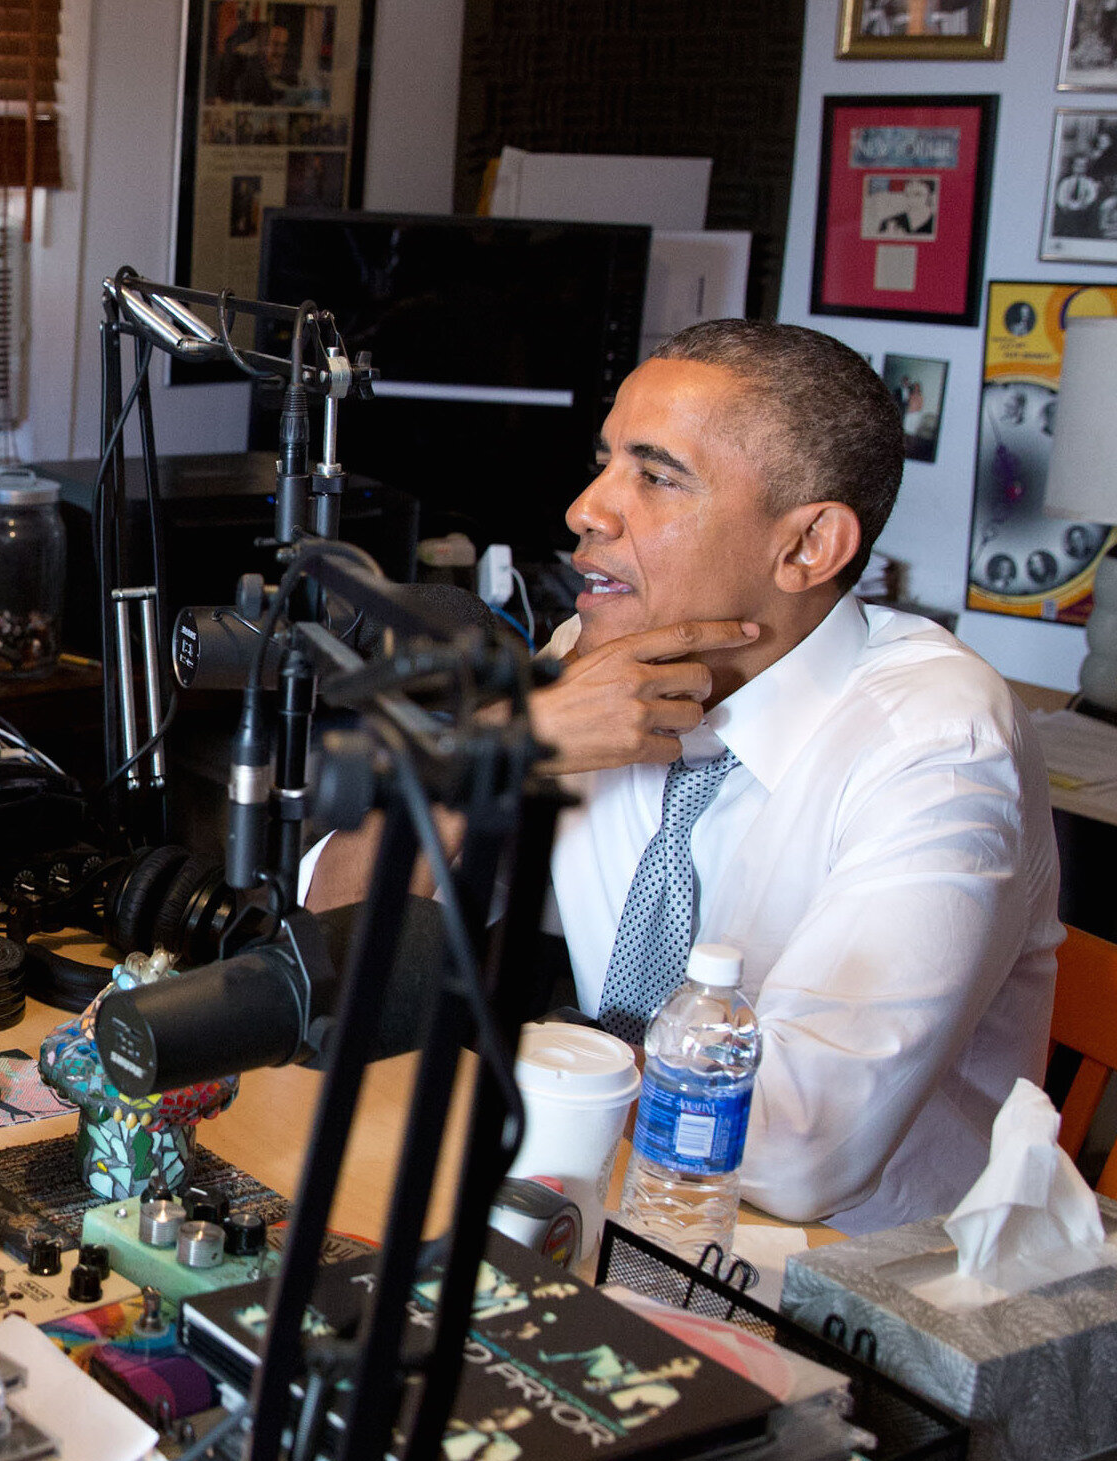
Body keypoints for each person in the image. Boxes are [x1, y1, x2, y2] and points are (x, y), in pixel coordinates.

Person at [314, 319, 1059, 1235]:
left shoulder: (939, 743)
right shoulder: (594, 668)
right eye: (604, 463)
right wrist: (500, 746)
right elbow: (336, 942)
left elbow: (796, 1149)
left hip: (842, 1282)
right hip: (604, 1212)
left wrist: (527, 1062)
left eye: (657, 476)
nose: (586, 509)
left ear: (808, 546)